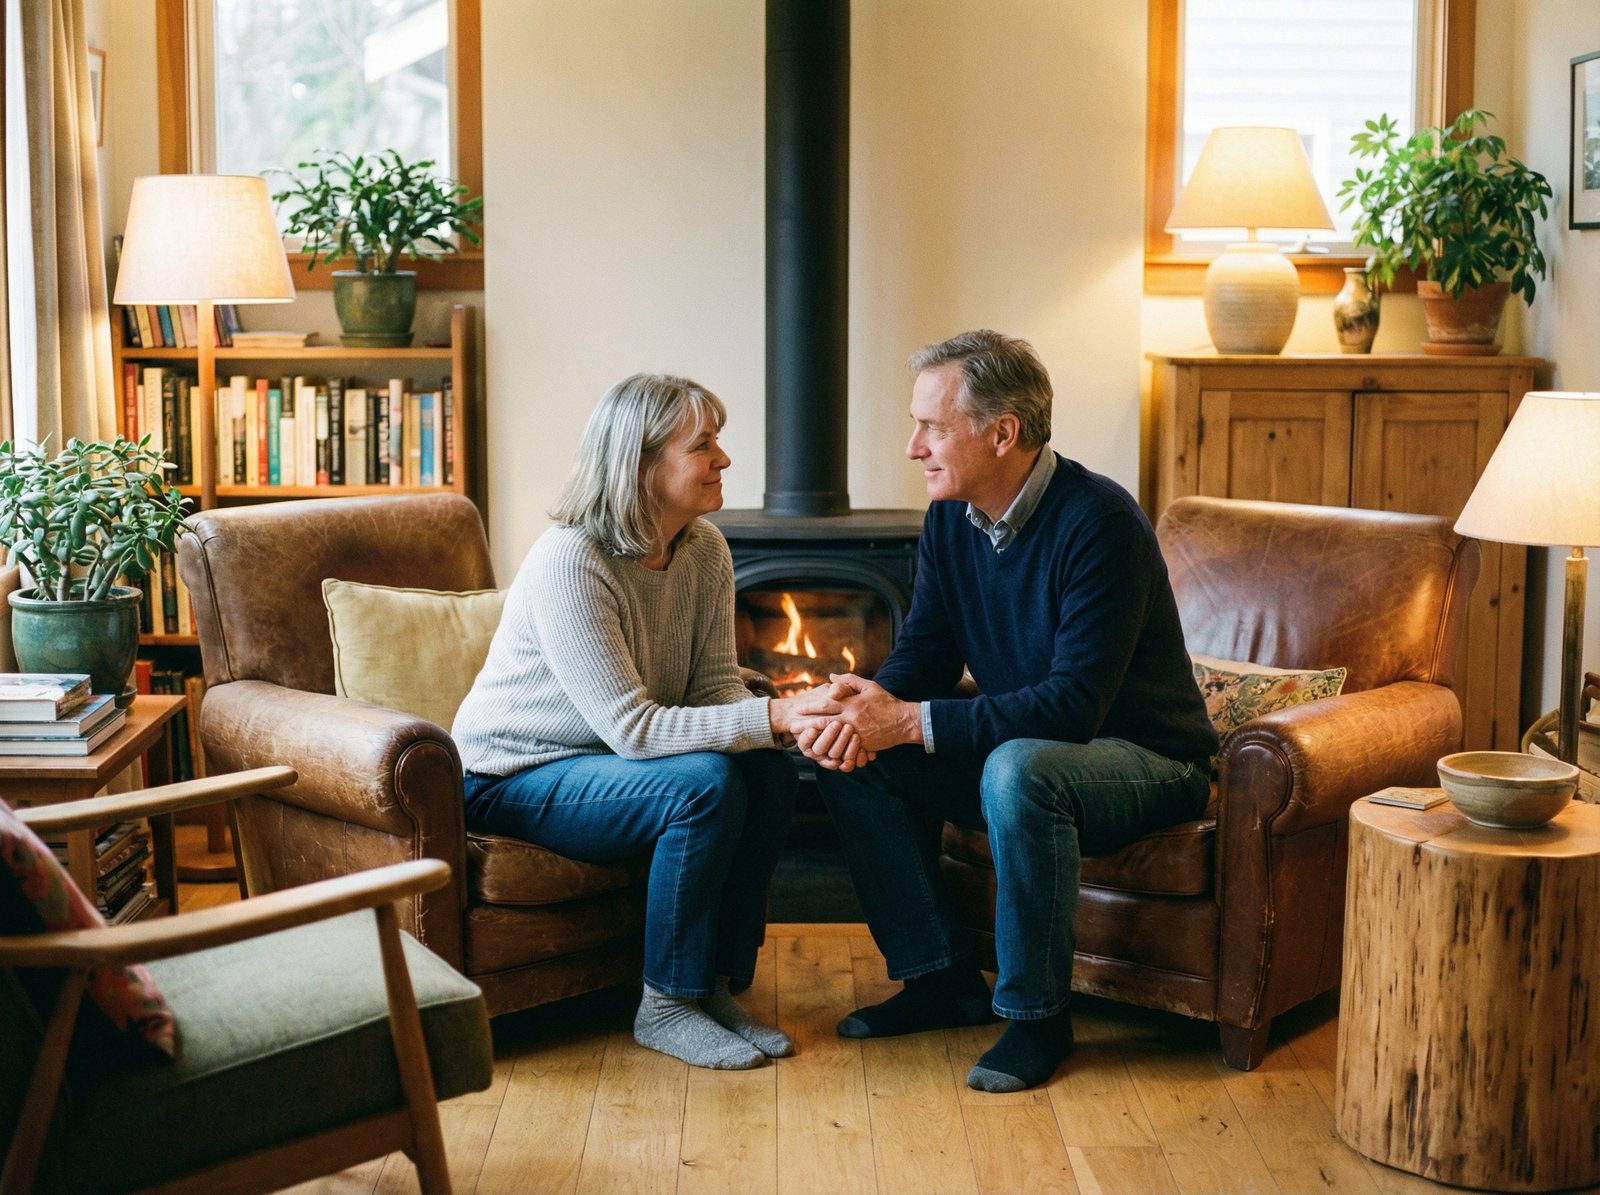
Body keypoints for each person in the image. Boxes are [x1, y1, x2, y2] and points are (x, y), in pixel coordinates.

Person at [795, 330, 1218, 1092]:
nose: (911, 445)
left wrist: (912, 721)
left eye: (931, 425)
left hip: (1146, 761)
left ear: (1002, 433)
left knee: (1021, 767)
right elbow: (922, 657)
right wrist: (865, 704)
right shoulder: (951, 520)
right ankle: (940, 978)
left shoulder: (1100, 523)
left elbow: (1071, 706)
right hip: (1029, 754)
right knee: (848, 749)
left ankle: (1036, 1017)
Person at [452, 372, 861, 1070]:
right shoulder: (571, 560)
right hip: (510, 775)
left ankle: (716, 986)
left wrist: (795, 720)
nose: (724, 460)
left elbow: (711, 691)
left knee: (764, 769)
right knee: (700, 783)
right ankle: (666, 1003)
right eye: (703, 445)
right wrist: (778, 711)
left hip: (604, 767)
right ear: (641, 465)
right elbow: (634, 730)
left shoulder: (704, 550)